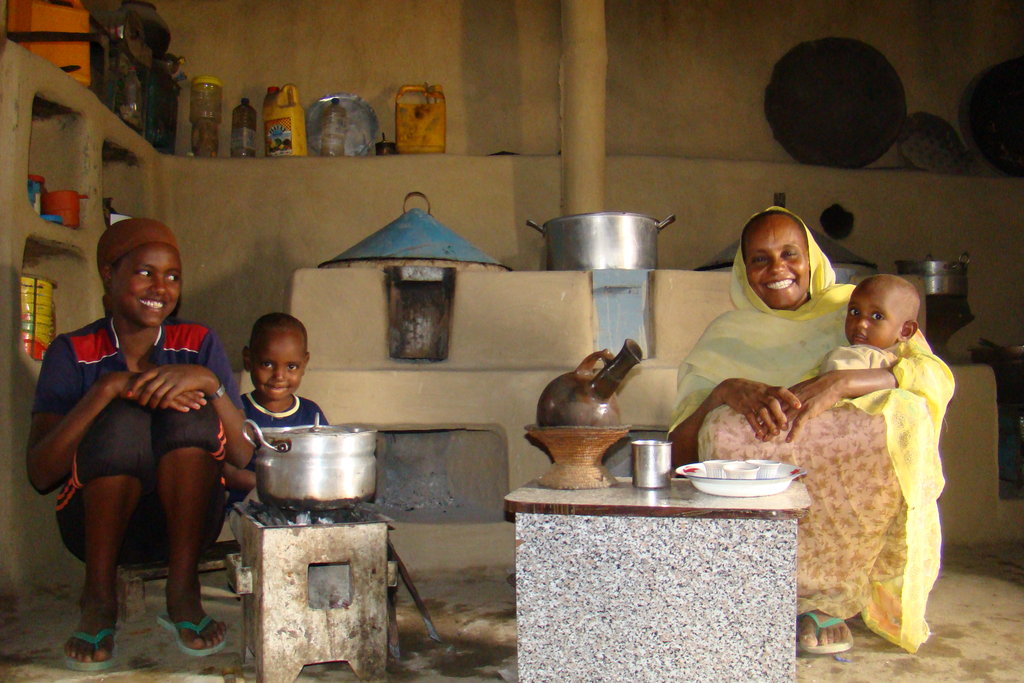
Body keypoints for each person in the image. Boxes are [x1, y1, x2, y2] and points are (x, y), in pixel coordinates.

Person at [668, 207, 953, 656]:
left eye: (789, 254)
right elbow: (676, 454)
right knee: (722, 427)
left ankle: (829, 599)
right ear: (743, 271)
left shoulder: (861, 305)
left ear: (811, 258)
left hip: (843, 471)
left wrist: (841, 382)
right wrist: (722, 392)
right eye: (759, 259)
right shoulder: (727, 334)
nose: (777, 269)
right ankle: (753, 595)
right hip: (766, 468)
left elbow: (933, 377)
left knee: (902, 414)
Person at [27, 218, 252, 670]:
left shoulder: (197, 343)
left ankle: (183, 591)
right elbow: (41, 473)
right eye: (145, 272)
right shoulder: (73, 351)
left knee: (189, 414)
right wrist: (106, 389)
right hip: (96, 529)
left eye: (173, 276)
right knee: (123, 422)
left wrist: (209, 383)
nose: (161, 288)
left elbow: (244, 454)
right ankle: (98, 598)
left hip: (188, 526)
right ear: (109, 274)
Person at [223, 312, 328, 507]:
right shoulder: (236, 411)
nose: (279, 375)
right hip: (247, 509)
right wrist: (276, 488)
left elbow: (325, 463)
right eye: (267, 364)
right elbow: (227, 471)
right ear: (248, 359)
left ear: (304, 363)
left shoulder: (311, 413)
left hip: (301, 508)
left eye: (291, 366)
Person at [819, 274, 921, 373]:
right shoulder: (850, 358)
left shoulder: (911, 364)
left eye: (877, 316)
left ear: (905, 331)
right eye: (855, 312)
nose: (861, 323)